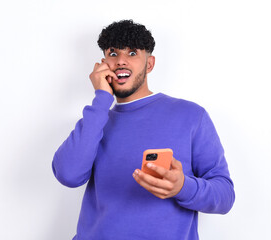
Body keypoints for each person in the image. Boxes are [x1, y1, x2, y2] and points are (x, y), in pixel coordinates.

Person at [52, 19, 235, 240]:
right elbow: (68, 175)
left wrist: (182, 187)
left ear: (149, 64)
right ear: (102, 65)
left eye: (132, 54)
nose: (120, 61)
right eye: (113, 53)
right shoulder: (96, 120)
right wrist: (101, 99)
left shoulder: (190, 115)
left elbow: (225, 195)